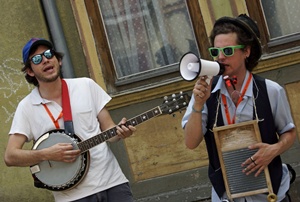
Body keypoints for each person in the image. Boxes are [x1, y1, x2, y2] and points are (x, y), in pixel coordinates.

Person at [4, 38, 136, 202]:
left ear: (58, 60)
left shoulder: (86, 86)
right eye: (37, 59)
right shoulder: (27, 107)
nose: (45, 60)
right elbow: (10, 156)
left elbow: (110, 131)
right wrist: (46, 154)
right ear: (30, 71)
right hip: (71, 196)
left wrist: (122, 132)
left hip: (112, 183)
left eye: (49, 54)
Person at [181, 14, 296, 202]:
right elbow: (191, 143)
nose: (220, 57)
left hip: (270, 195)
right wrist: (198, 104)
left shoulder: (271, 90)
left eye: (228, 50)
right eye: (215, 51)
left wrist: (273, 150)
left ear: (246, 51)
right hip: (227, 196)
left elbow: (289, 133)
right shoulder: (205, 92)